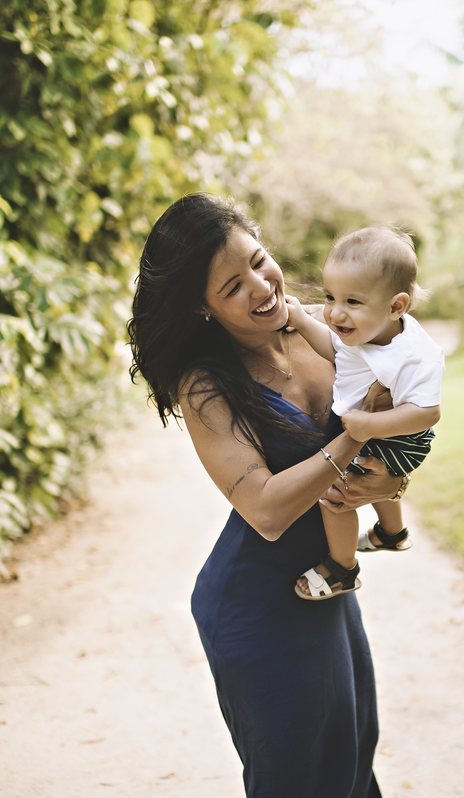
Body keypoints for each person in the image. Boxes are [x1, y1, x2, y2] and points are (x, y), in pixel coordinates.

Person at [126, 193, 402, 797]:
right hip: (257, 606)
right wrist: (355, 440)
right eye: (231, 287)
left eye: (258, 259)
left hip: (326, 589)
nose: (260, 286)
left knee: (352, 759)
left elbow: (391, 410)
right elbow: (268, 510)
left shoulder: (317, 329)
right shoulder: (205, 384)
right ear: (202, 307)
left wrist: (389, 480)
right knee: (295, 778)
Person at [285, 226, 444, 601]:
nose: (335, 312)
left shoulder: (412, 356)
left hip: (402, 436)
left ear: (396, 306)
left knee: (335, 493)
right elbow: (339, 351)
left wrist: (371, 426)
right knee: (369, 474)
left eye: (352, 302)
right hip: (381, 429)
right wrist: (305, 320)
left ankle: (343, 568)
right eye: (329, 297)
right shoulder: (371, 330)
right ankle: (393, 533)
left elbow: (428, 413)